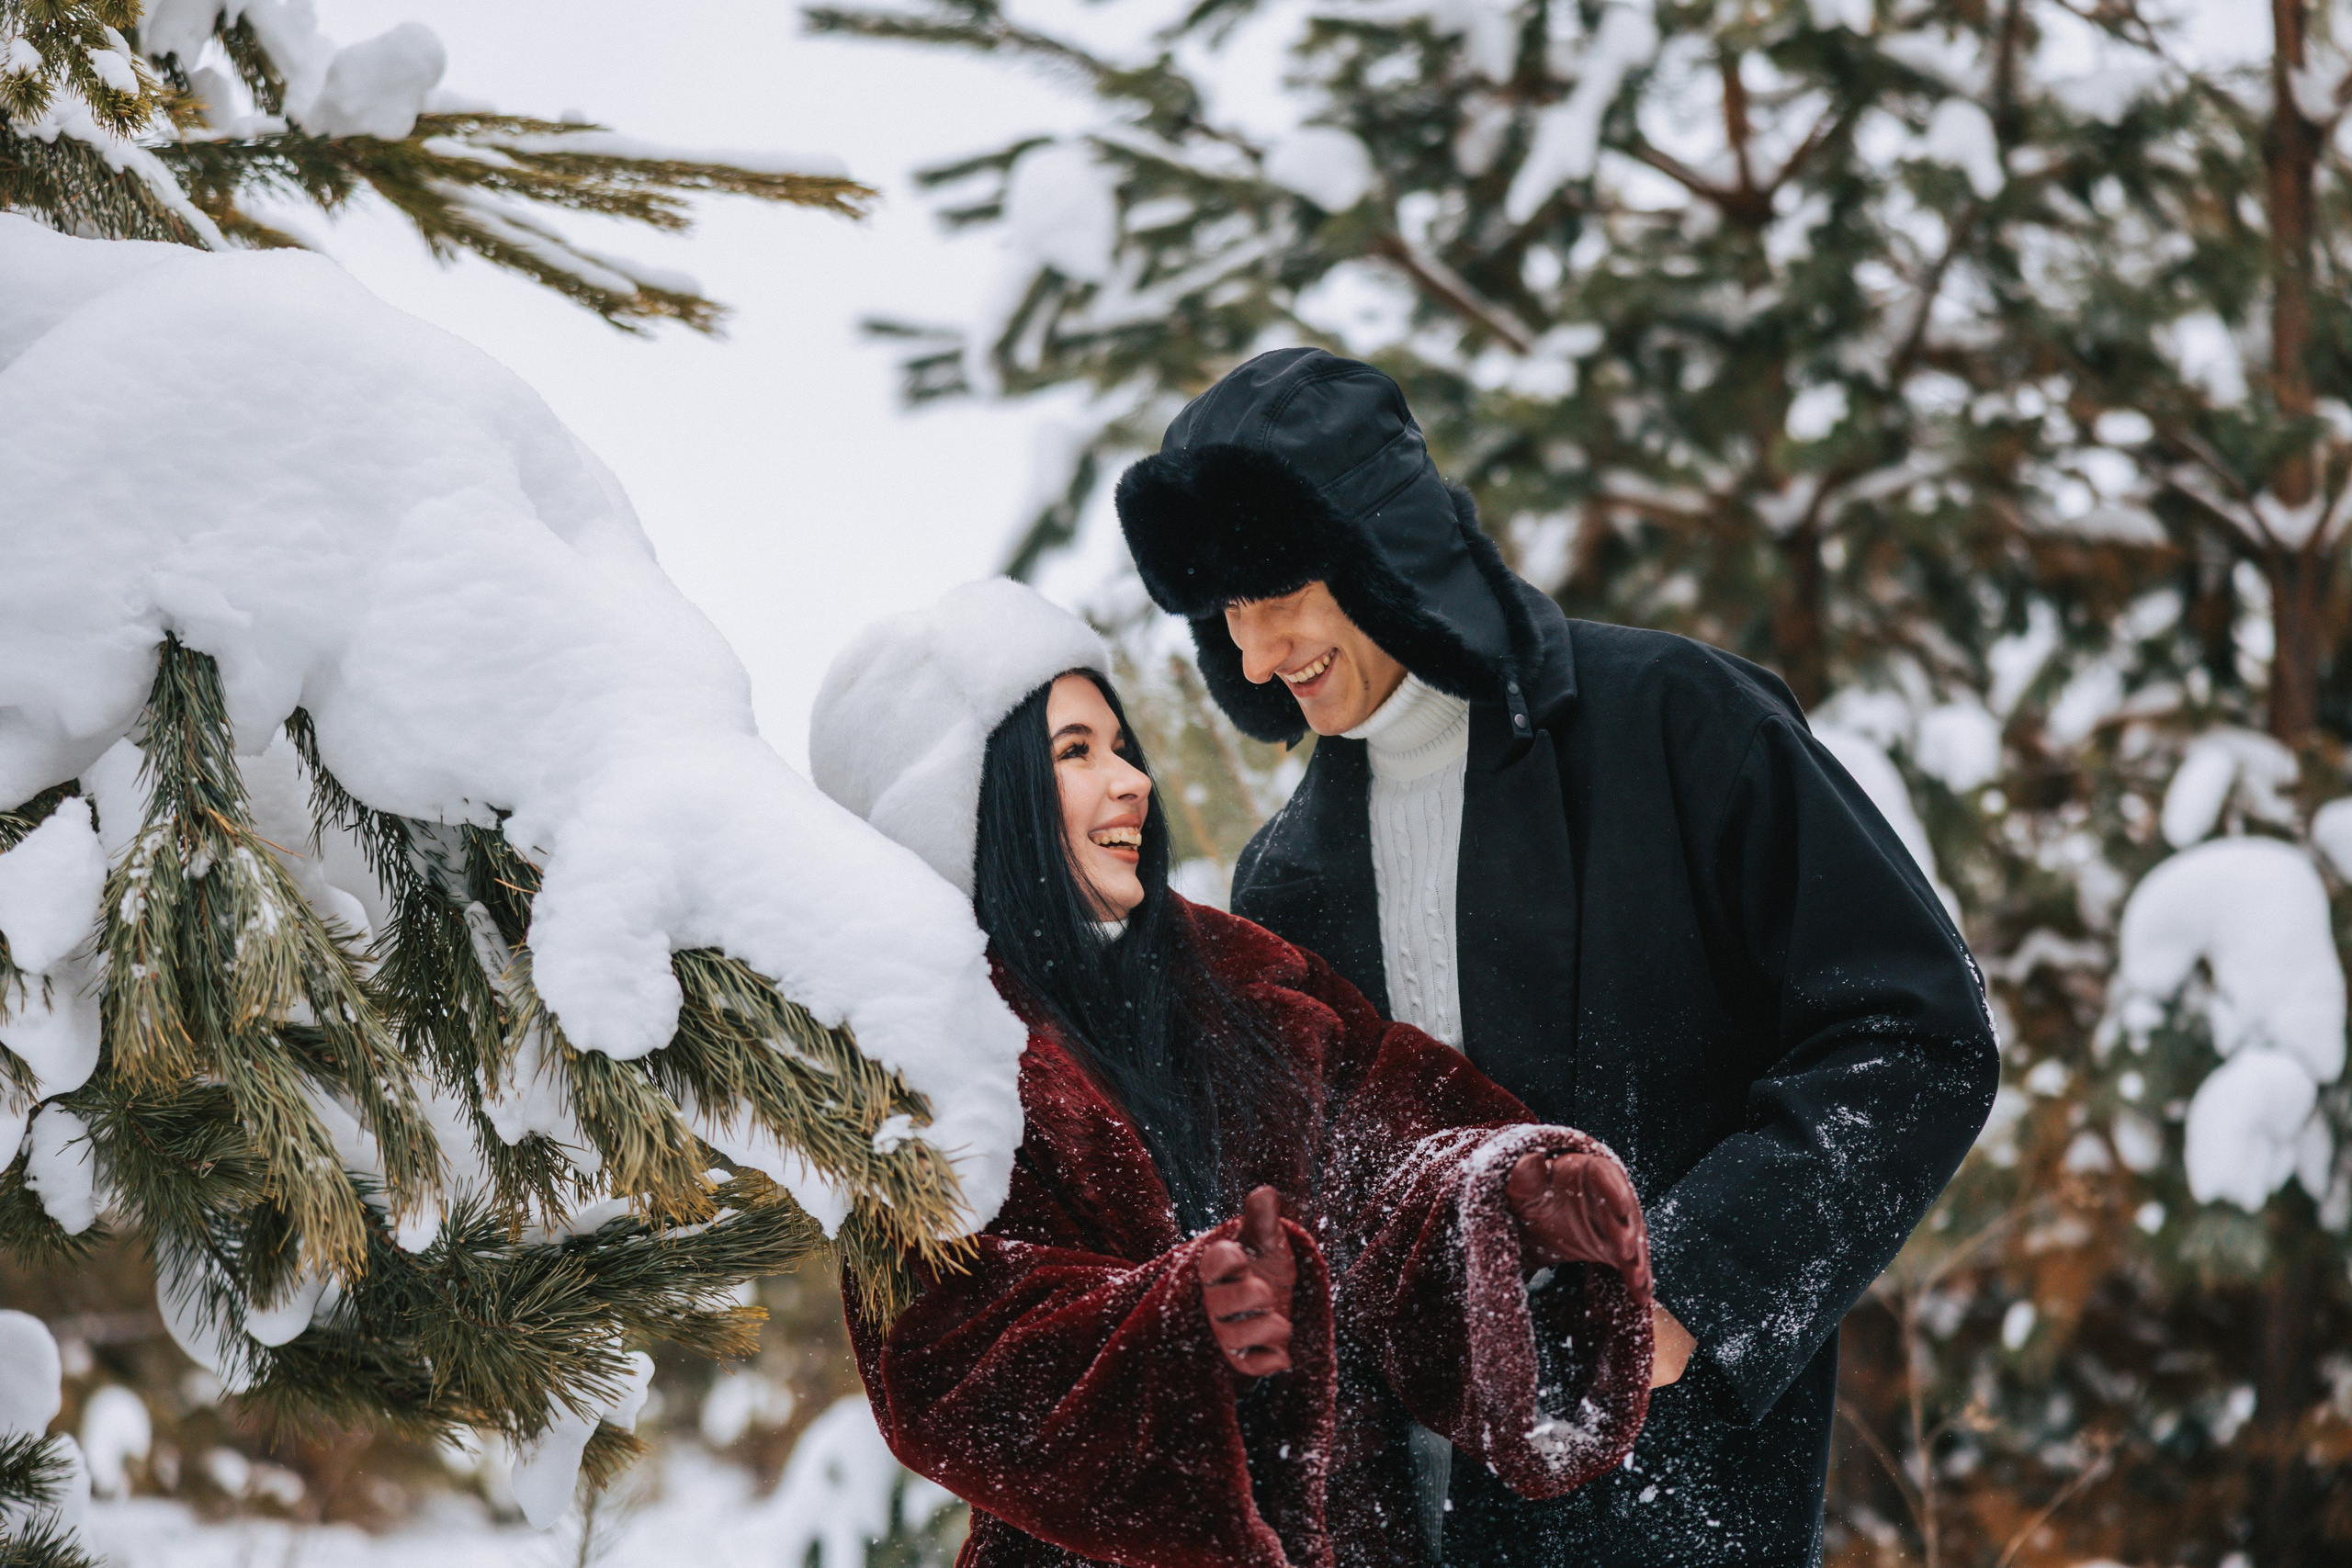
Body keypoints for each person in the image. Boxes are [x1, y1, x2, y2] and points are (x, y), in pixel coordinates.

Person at [1113, 347, 2002, 1565]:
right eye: (1224, 611)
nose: (1256, 653)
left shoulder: (1676, 722)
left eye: (1275, 587)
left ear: (1381, 543)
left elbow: (1914, 1033)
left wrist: (1686, 1287)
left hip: (1685, 1508)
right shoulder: (1286, 879)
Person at [808, 579, 1656, 1568]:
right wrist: (1180, 1328)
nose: (1129, 782)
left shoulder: (1242, 980)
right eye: (1074, 754)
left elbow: (1390, 1154)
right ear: (959, 804)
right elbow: (951, 1364)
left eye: (1119, 746)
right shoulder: (927, 1058)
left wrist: (1510, 1199)